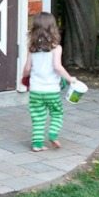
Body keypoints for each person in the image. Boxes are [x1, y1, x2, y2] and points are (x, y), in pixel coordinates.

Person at [21, 12, 77, 152]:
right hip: (51, 90)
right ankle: (53, 134)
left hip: (36, 90)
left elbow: (27, 68)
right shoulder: (56, 48)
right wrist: (70, 79)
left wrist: (24, 78)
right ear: (53, 28)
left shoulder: (32, 48)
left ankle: (37, 144)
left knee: (38, 116)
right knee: (56, 113)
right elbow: (57, 67)